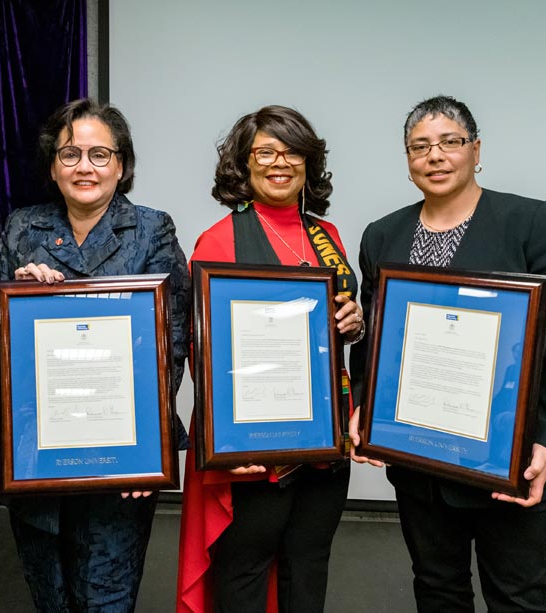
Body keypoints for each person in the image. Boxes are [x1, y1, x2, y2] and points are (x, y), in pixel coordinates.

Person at [348, 95, 546, 612]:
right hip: (418, 462)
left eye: (450, 142)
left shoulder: (530, 222)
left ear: (475, 150)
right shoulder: (384, 234)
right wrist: (364, 403)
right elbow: (374, 339)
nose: (435, 156)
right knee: (437, 589)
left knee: (517, 596)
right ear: (407, 160)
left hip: (513, 460)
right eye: (419, 147)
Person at [0, 98, 190, 612]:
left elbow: (170, 339)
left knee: (107, 600)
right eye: (69, 154)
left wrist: (149, 450)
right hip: (36, 451)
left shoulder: (152, 228)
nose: (84, 166)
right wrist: (14, 293)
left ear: (121, 165)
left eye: (99, 154)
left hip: (121, 451)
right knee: (51, 597)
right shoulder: (23, 227)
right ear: (52, 165)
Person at [177, 105, 364, 613]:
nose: (279, 162)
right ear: (245, 162)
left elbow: (337, 320)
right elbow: (202, 351)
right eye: (265, 151)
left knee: (309, 564)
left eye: (291, 151)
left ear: (309, 161)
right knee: (245, 571)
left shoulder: (328, 236)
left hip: (324, 444)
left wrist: (354, 320)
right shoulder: (218, 241)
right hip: (255, 449)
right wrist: (232, 441)